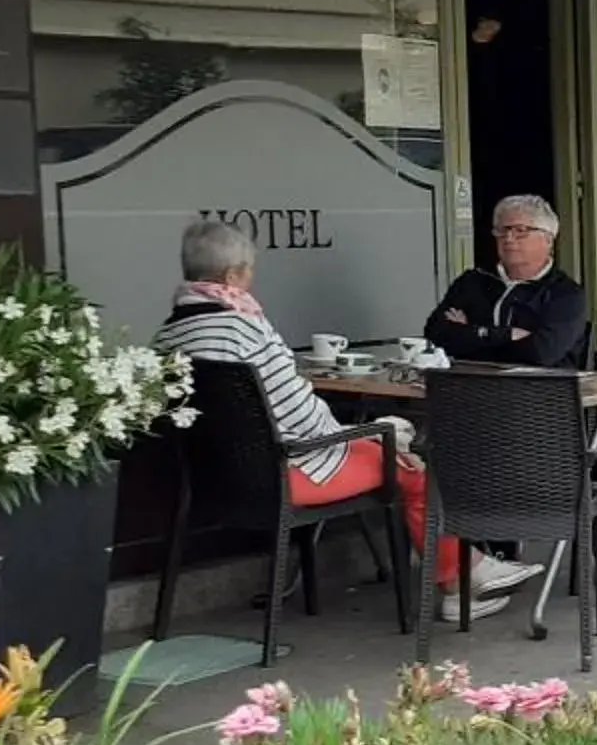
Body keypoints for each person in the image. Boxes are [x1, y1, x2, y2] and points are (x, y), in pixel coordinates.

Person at [155, 220, 542, 623]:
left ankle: (467, 569)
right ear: (234, 275)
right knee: (411, 468)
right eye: (250, 270)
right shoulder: (244, 328)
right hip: (286, 475)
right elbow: (301, 416)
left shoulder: (168, 335)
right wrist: (359, 434)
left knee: (387, 447)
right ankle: (460, 582)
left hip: (212, 480)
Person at [430, 195, 589, 367]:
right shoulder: (473, 281)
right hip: (472, 387)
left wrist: (470, 334)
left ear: (548, 239)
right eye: (502, 230)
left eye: (520, 231)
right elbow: (436, 335)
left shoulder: (565, 294)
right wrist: (506, 335)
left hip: (538, 390)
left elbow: (541, 354)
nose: (508, 238)